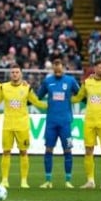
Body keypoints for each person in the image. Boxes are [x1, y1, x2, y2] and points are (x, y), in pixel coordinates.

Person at [0, 64, 47, 189]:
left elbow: (37, 102)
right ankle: (4, 180)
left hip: (22, 125)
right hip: (7, 125)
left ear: (21, 74)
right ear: (10, 74)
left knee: (23, 152)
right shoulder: (4, 87)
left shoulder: (26, 88)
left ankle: (24, 181)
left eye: (17, 72)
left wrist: (54, 105)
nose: (14, 74)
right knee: (6, 152)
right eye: (12, 72)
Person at [36, 56, 81, 188]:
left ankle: (68, 181)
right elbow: (38, 96)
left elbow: (80, 95)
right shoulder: (47, 81)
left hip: (66, 123)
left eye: (60, 69)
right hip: (51, 122)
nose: (57, 72)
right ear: (53, 70)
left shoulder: (71, 81)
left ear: (64, 69)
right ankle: (48, 180)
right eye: (55, 70)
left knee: (68, 150)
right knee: (48, 149)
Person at [72, 58, 101, 189]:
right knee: (88, 150)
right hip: (89, 121)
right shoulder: (87, 82)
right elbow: (79, 97)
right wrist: (62, 99)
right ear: (95, 68)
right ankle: (90, 181)